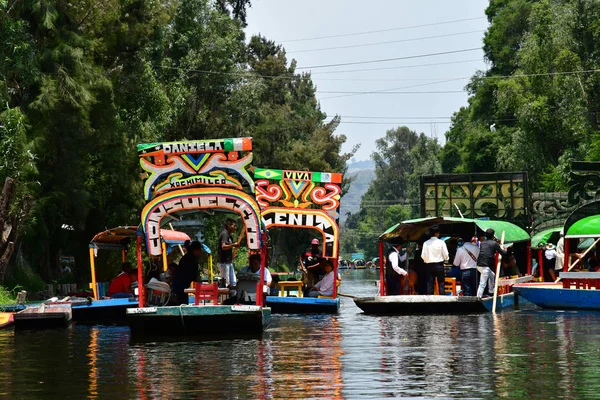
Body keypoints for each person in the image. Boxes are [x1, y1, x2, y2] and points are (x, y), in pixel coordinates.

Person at [476, 229, 508, 298]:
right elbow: (503, 253)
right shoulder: (494, 243)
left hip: (478, 265)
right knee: (482, 284)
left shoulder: (483, 243)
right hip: (485, 267)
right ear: (493, 236)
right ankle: (478, 298)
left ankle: (491, 291)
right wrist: (506, 249)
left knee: (492, 275)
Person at [421, 225, 449, 295]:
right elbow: (446, 254)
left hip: (429, 265)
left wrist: (426, 260)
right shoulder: (441, 242)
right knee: (441, 283)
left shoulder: (426, 243)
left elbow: (422, 255)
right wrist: (446, 259)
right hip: (439, 265)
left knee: (429, 283)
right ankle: (442, 298)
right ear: (437, 233)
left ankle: (430, 301)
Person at [218, 218, 239, 289]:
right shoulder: (224, 234)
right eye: (234, 226)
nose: (235, 228)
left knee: (233, 282)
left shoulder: (230, 236)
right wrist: (233, 245)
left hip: (229, 262)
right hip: (224, 262)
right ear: (229, 225)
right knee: (227, 283)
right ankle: (225, 298)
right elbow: (223, 247)